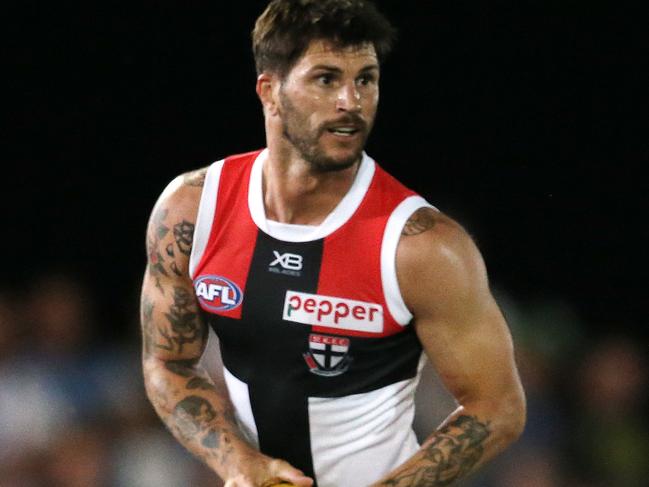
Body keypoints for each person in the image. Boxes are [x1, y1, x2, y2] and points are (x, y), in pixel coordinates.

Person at [140, 1, 526, 486]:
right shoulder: (192, 211)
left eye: (366, 79)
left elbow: (498, 406)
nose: (352, 101)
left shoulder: (421, 245)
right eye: (326, 79)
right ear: (270, 92)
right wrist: (238, 464)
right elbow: (167, 362)